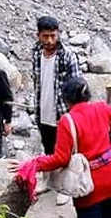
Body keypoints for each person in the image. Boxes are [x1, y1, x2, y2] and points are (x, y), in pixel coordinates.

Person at [11, 77, 111, 218]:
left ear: (66, 99)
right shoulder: (104, 108)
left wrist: (35, 163)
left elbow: (61, 159)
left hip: (89, 187)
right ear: (87, 94)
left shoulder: (68, 121)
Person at [32, 16, 81, 155]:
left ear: (58, 34)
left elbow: (77, 90)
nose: (49, 40)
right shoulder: (36, 53)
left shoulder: (68, 56)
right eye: (45, 36)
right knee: (49, 154)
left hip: (63, 115)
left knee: (66, 156)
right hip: (43, 115)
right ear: (38, 35)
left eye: (53, 36)